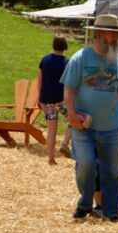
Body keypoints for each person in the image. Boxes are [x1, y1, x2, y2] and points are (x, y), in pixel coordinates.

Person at [62, 14, 118, 222]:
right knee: (86, 164)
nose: (115, 39)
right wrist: (71, 115)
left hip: (112, 127)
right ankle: (85, 203)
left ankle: (111, 212)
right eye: (111, 35)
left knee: (114, 172)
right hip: (83, 127)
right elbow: (69, 89)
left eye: (116, 35)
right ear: (97, 34)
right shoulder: (80, 58)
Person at [38, 35, 71, 164]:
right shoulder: (66, 63)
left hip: (48, 102)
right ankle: (65, 143)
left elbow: (40, 81)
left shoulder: (44, 60)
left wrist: (39, 98)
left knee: (52, 130)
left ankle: (51, 158)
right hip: (60, 102)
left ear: (53, 45)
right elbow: (68, 84)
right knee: (74, 121)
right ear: (65, 46)